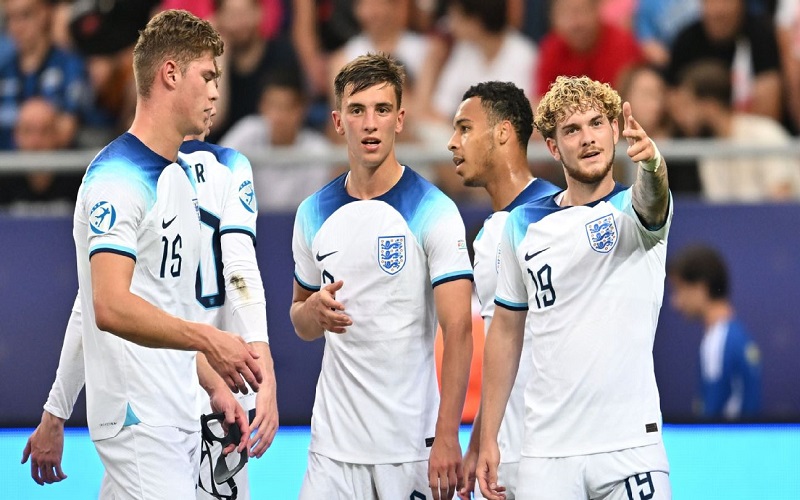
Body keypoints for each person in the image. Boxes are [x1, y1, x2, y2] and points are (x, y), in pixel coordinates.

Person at [34, 10, 263, 498]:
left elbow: (162, 305)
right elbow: (106, 306)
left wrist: (212, 384)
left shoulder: (177, 178)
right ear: (170, 74)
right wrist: (209, 338)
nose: (216, 92)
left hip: (174, 412)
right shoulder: (116, 180)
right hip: (137, 419)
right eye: (208, 76)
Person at [20, 125, 280, 498]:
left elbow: (89, 307)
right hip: (187, 390)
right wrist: (262, 367)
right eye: (206, 88)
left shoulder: (139, 170)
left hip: (190, 388)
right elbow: (240, 274)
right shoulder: (216, 168)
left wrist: (56, 411)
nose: (212, 97)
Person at [477, 75, 673, 499]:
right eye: (572, 130)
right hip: (547, 452)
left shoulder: (633, 211)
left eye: (597, 123)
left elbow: (654, 198)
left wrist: (654, 165)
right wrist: (488, 435)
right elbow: (506, 332)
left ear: (615, 130)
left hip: (629, 446)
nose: (588, 138)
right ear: (552, 147)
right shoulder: (521, 225)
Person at [290, 52, 474, 500]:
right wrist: (312, 311)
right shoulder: (312, 212)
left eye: (382, 109)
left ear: (400, 120)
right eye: (357, 110)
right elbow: (300, 321)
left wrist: (447, 435)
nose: (370, 124)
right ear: (338, 122)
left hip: (411, 446)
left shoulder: (434, 210)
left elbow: (459, 330)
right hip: (333, 447)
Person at [445, 81, 560, 500]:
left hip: (555, 454)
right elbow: (503, 346)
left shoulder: (557, 216)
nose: (452, 142)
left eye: (464, 129)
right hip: (504, 454)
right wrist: (479, 441)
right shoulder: (487, 234)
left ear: (503, 133)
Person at [672, 60, 800, 202]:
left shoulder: (764, 134)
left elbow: (781, 197)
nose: (681, 118)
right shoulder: (708, 153)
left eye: (687, 105)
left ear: (709, 105)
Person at [667, 244, 762, 420]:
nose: (675, 302)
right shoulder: (736, 335)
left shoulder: (719, 341)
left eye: (679, 289)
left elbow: (710, 418)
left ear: (700, 288)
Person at [219, 70, 334, 212]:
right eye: (273, 106)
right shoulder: (247, 131)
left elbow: (312, 211)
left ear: (302, 109)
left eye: (286, 107)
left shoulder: (318, 151)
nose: (279, 117)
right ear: (262, 105)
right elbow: (218, 169)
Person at [0, 0, 94, 149]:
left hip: (56, 161)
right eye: (10, 18)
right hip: (7, 162)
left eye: (25, 15)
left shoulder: (71, 66)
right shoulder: (4, 71)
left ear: (44, 14)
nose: (16, 27)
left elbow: (67, 129)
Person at [0, 97, 82, 215]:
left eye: (45, 131)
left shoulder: (79, 179)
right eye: (28, 131)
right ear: (15, 135)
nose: (36, 142)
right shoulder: (3, 179)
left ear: (57, 135)